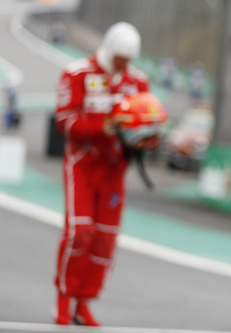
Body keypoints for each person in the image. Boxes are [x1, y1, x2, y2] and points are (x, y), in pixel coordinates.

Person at [52, 21, 151, 326]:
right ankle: (64, 300)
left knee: (105, 241)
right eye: (121, 56)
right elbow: (65, 120)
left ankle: (84, 303)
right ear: (109, 49)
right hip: (83, 166)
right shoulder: (77, 72)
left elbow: (146, 120)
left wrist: (149, 136)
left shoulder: (138, 82)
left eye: (129, 59)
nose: (124, 64)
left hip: (114, 171)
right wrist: (101, 128)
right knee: (80, 233)